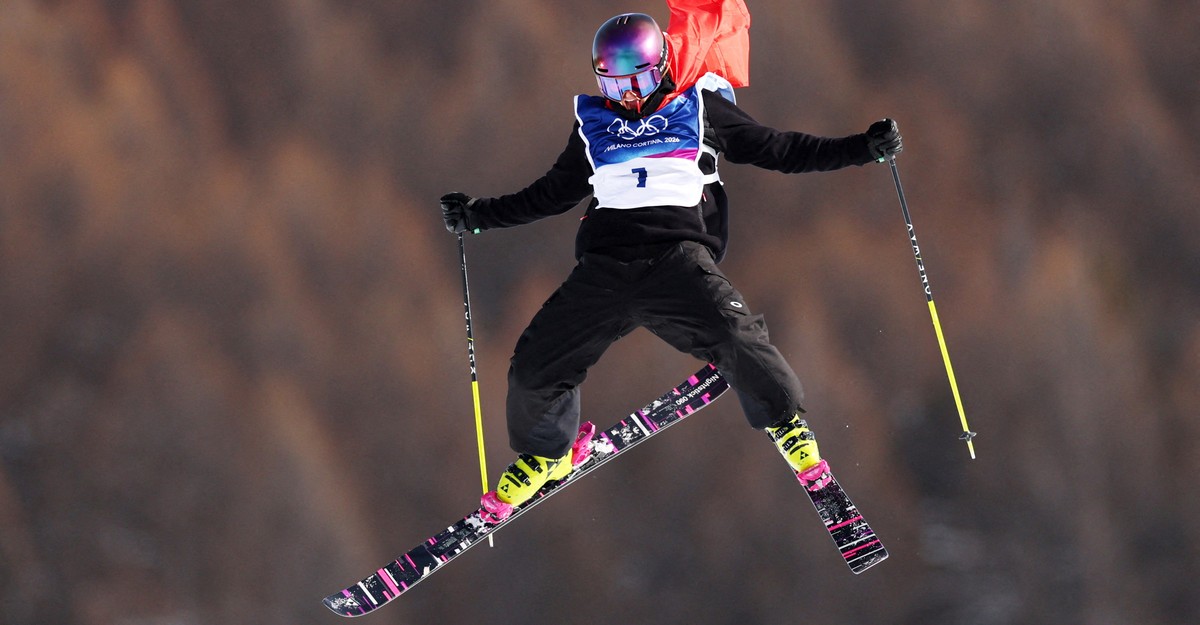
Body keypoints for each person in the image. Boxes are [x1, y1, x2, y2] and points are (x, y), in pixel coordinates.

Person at [440, 6, 902, 521]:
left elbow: (778, 148)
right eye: (615, 87)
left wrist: (863, 148)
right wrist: (478, 216)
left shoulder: (697, 107)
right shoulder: (593, 126)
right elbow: (550, 194)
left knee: (737, 339)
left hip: (676, 262)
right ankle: (548, 454)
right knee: (532, 370)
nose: (629, 97)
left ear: (661, 67)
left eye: (637, 82)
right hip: (604, 269)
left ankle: (793, 433)